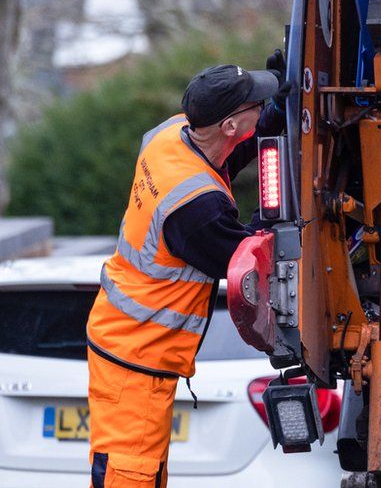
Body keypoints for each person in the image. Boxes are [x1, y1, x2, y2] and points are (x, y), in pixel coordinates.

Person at [85, 52, 292, 487]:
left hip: (125, 339)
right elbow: (249, 259)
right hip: (138, 354)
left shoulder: (173, 134)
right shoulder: (196, 211)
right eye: (255, 103)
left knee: (146, 470)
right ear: (230, 125)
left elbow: (225, 158)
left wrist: (274, 109)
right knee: (131, 474)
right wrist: (277, 221)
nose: (260, 104)